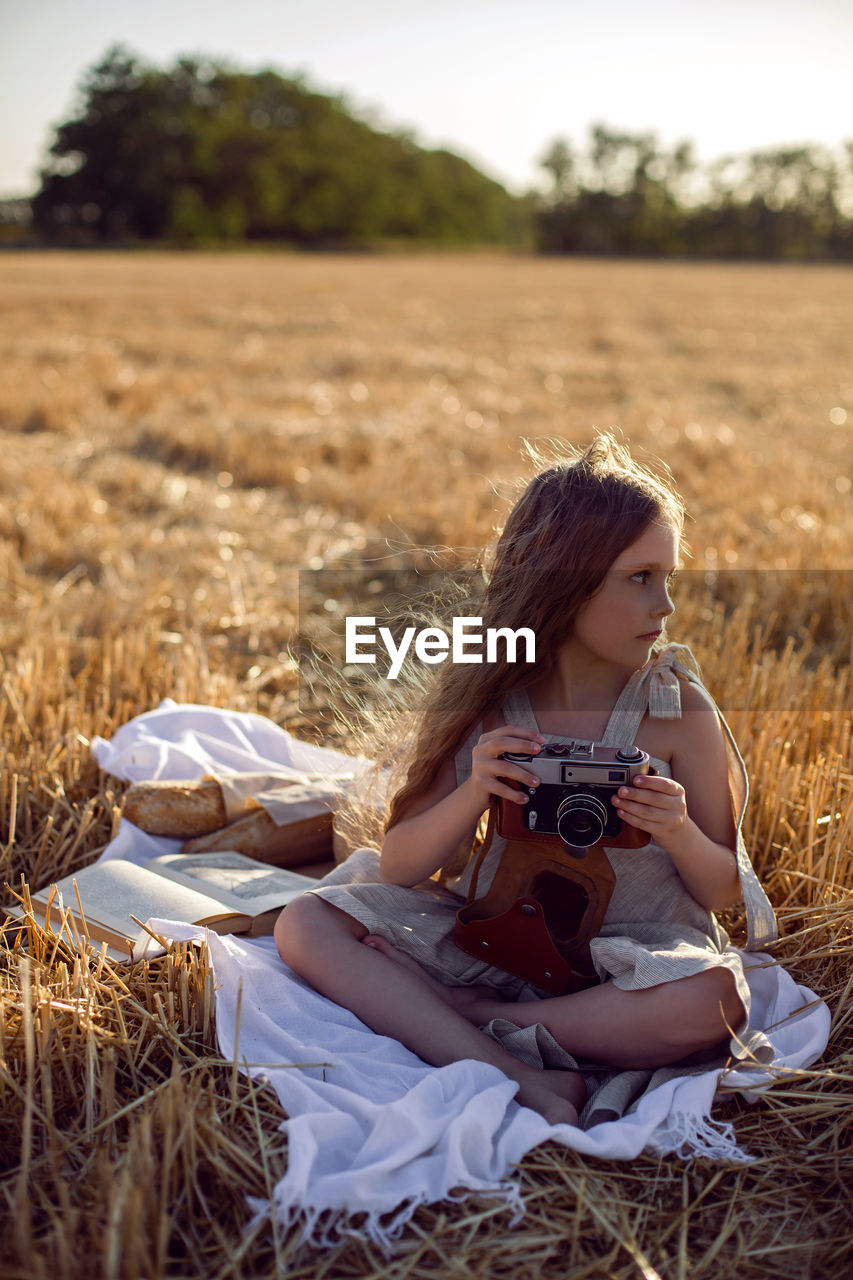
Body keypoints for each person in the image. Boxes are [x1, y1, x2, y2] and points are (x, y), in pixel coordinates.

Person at [274, 435, 777, 1127]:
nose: (664, 606)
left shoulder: (676, 711)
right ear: (564, 580)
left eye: (669, 579)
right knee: (305, 921)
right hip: (496, 940)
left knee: (716, 1000)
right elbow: (401, 865)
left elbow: (723, 891)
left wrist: (677, 830)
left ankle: (476, 1020)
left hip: (629, 964)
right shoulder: (490, 695)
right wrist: (475, 789)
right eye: (639, 578)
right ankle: (507, 1065)